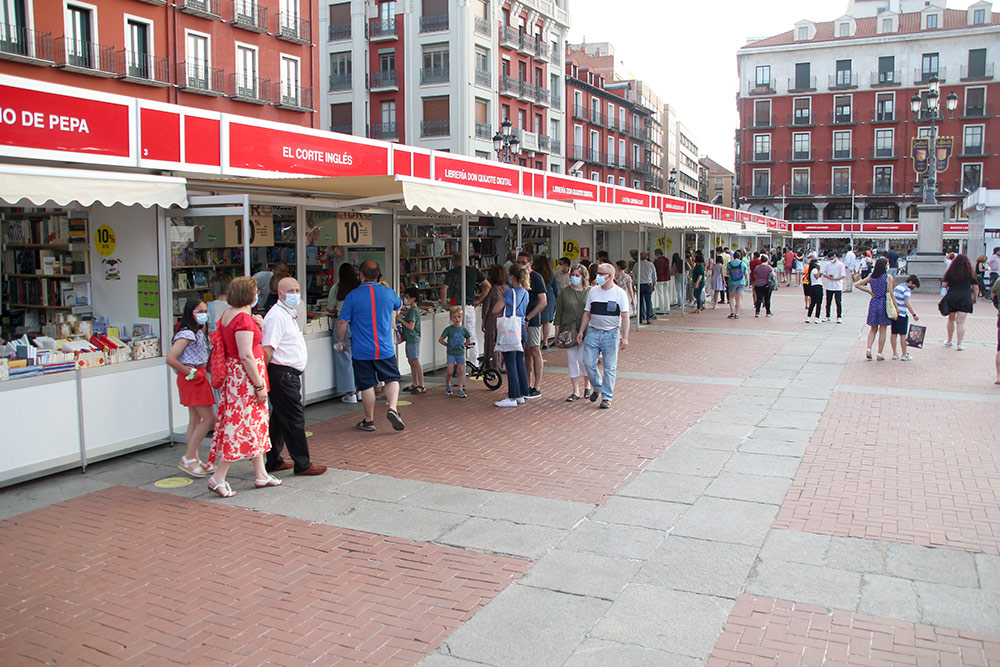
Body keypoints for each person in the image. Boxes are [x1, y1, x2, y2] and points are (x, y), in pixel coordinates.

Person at [205, 276, 276, 498]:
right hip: (245, 379)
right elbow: (246, 355)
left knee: (251, 424)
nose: (258, 295)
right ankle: (218, 477)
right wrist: (259, 385)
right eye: (255, 291)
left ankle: (261, 473)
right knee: (241, 426)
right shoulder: (243, 319)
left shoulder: (228, 315)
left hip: (234, 378)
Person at [262, 277, 327, 476]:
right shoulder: (276, 316)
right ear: (280, 294)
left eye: (297, 289)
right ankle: (303, 463)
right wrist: (261, 381)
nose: (295, 294)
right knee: (294, 418)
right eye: (290, 290)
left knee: (280, 419)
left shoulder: (287, 314)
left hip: (288, 374)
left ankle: (274, 459)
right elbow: (267, 349)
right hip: (282, 374)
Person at [337, 260, 405, 432]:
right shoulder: (388, 292)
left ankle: (369, 420)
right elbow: (399, 305)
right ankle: (393, 408)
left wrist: (341, 341)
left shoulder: (352, 295)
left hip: (362, 350)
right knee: (392, 379)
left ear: (360, 275)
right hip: (385, 348)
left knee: (366, 385)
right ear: (378, 275)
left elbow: (343, 322)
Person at [165, 297, 216, 478]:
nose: (204, 315)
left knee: (195, 420)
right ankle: (188, 457)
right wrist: (189, 372)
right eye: (199, 312)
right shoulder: (187, 334)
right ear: (190, 313)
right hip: (193, 376)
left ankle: (193, 458)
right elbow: (171, 358)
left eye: (205, 311)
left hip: (197, 375)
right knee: (209, 418)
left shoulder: (197, 332)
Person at [578, 262, 630, 409]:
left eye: (601, 274)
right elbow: (587, 313)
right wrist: (582, 331)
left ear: (610, 276)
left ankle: (607, 397)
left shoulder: (619, 293)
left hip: (611, 333)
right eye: (598, 274)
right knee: (587, 362)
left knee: (609, 367)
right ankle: (598, 386)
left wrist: (624, 336)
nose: (598, 276)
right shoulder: (593, 291)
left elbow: (625, 316)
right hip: (593, 331)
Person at [440, 253, 490, 361]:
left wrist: (444, 304)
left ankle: (458, 362)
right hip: (469, 306)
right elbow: (487, 286)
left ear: (454, 262)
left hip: (455, 305)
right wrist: (479, 300)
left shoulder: (452, 273)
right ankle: (474, 363)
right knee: (471, 335)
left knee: (455, 335)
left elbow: (444, 289)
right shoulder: (474, 271)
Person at [494, 264, 530, 408]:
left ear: (513, 277)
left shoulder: (509, 293)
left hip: (510, 330)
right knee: (519, 361)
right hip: (521, 327)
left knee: (510, 363)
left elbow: (496, 308)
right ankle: (522, 392)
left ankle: (512, 396)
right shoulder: (526, 292)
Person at [553, 264, 592, 401]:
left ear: (583, 277)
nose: (574, 278)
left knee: (583, 360)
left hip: (585, 330)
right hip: (568, 330)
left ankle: (587, 384)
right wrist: (556, 332)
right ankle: (575, 390)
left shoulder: (589, 291)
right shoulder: (565, 292)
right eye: (573, 275)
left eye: (577, 275)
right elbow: (559, 312)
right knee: (571, 360)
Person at [328, 262, 361, 403]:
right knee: (358, 358)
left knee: (344, 358)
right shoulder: (359, 288)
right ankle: (360, 390)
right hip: (358, 324)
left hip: (342, 324)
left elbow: (330, 308)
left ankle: (350, 392)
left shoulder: (336, 288)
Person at [519, 252, 547, 398]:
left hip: (532, 320)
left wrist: (529, 317)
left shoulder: (536, 278)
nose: (520, 264)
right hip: (521, 319)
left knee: (535, 350)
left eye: (523, 262)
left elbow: (543, 301)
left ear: (530, 263)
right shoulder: (519, 277)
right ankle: (527, 384)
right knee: (526, 352)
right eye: (519, 262)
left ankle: (537, 386)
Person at [855, 257, 894, 361]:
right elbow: (891, 292)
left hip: (874, 302)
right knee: (883, 329)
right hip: (884, 302)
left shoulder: (871, 277)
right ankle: (880, 353)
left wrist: (869, 292)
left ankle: (868, 348)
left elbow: (857, 284)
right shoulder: (888, 277)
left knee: (873, 328)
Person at [940, 253, 979, 351]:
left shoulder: (951, 271)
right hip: (965, 297)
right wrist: (975, 297)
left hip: (952, 296)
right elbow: (975, 287)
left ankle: (949, 340)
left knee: (951, 319)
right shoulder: (970, 272)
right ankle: (959, 344)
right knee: (961, 322)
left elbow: (944, 285)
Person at [480, 265, 509, 370]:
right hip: (504, 319)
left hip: (492, 320)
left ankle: (493, 366)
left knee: (492, 342)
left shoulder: (492, 290)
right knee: (502, 342)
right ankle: (503, 365)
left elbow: (486, 307)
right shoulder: (507, 289)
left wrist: (483, 320)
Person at [439, 306, 472, 397]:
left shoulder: (463, 329)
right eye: (454, 317)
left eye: (459, 317)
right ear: (451, 318)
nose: (457, 319)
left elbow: (468, 339)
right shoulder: (449, 329)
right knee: (450, 371)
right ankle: (448, 384)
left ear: (462, 318)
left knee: (460, 371)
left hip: (460, 353)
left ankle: (460, 388)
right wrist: (447, 345)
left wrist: (464, 345)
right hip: (451, 353)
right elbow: (441, 339)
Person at [397, 287, 425, 394]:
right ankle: (415, 383)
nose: (405, 299)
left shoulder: (413, 310)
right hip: (409, 338)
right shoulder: (411, 310)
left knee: (415, 361)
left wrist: (401, 320)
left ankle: (421, 385)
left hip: (413, 338)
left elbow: (411, 326)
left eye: (407, 297)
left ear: (413, 299)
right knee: (411, 360)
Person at [890, 275, 921, 361]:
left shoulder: (898, 287)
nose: (912, 288)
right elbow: (907, 302)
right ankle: (904, 354)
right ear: (911, 282)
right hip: (902, 314)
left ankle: (894, 353)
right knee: (903, 334)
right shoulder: (906, 290)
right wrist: (914, 314)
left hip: (894, 313)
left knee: (893, 333)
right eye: (914, 286)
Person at [535, 254, 558, 349]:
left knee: (536, 321)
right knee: (546, 321)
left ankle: (536, 341)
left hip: (537, 297)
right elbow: (555, 289)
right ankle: (545, 342)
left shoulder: (535, 274)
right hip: (549, 297)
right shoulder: (551, 274)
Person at [632, 251, 656, 325]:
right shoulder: (651, 264)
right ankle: (648, 318)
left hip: (639, 285)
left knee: (640, 302)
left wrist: (633, 285)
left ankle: (640, 318)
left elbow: (634, 276)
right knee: (648, 301)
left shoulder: (636, 265)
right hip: (648, 284)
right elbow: (654, 275)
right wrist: (654, 284)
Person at [822, 251, 846, 323]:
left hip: (838, 286)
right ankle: (827, 316)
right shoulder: (828, 265)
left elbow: (843, 275)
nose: (831, 260)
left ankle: (839, 316)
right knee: (828, 302)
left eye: (832, 258)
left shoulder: (840, 265)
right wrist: (829, 277)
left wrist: (836, 278)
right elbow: (824, 273)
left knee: (838, 302)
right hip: (829, 286)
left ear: (835, 256)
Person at [726, 250, 746, 319]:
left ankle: (732, 312)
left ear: (733, 256)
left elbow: (728, 273)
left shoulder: (730, 263)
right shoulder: (742, 263)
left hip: (732, 282)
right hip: (741, 282)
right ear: (740, 256)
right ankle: (737, 313)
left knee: (731, 298)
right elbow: (746, 273)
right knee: (739, 299)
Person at [653, 248, 671, 315]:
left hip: (660, 279)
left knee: (660, 294)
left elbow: (655, 270)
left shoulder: (657, 261)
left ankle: (662, 309)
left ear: (657, 254)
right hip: (666, 278)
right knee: (666, 293)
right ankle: (667, 308)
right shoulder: (667, 260)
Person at [805, 259, 824, 324]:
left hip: (813, 287)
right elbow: (816, 276)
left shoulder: (811, 270)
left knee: (812, 303)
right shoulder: (814, 270)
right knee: (818, 303)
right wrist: (819, 270)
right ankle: (817, 318)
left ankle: (809, 317)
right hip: (817, 287)